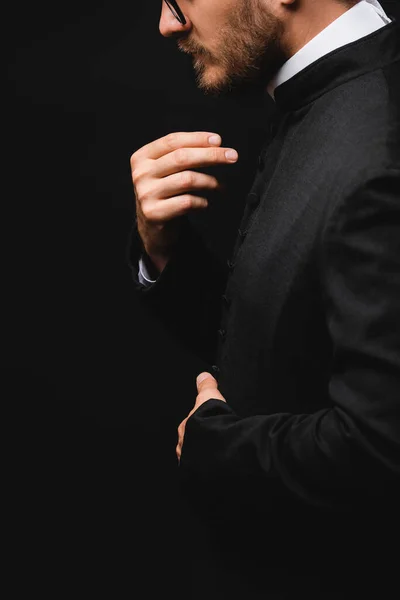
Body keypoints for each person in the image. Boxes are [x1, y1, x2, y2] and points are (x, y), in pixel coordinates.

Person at [127, 1, 400, 598]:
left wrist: (214, 450)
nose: (167, 24)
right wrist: (161, 247)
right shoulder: (327, 97)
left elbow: (384, 452)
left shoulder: (378, 144)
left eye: (180, 1)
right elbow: (284, 346)